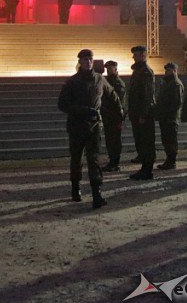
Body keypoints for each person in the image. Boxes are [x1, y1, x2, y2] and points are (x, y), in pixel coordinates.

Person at [57, 49, 114, 209]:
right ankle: (75, 188)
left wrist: (120, 111)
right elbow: (62, 104)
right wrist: (83, 111)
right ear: (80, 62)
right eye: (85, 59)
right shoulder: (72, 82)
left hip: (94, 126)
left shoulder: (99, 79)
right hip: (77, 126)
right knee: (76, 160)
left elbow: (112, 94)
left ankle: (97, 194)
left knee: (94, 161)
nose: (88, 62)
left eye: (90, 59)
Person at [126, 45, 156, 180]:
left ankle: (147, 170)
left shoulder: (145, 72)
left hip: (143, 115)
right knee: (141, 141)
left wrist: (143, 114)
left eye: (136, 54)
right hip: (137, 114)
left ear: (143, 55)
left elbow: (147, 95)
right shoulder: (138, 71)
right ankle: (144, 168)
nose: (133, 57)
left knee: (146, 142)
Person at [156, 62, 184, 170]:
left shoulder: (176, 84)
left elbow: (177, 103)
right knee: (166, 139)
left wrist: (168, 114)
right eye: (166, 70)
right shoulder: (167, 83)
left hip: (170, 117)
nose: (166, 72)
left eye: (169, 70)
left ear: (174, 71)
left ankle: (171, 161)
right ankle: (169, 159)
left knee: (171, 140)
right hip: (165, 116)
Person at [100, 60, 126, 172]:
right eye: (107, 68)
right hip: (108, 115)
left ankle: (115, 162)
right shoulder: (107, 81)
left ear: (115, 69)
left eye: (111, 68)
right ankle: (112, 161)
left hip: (115, 116)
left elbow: (119, 101)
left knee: (114, 140)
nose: (108, 70)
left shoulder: (117, 83)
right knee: (110, 140)